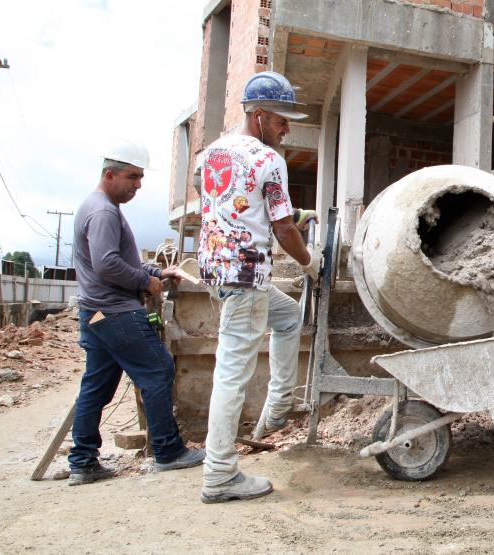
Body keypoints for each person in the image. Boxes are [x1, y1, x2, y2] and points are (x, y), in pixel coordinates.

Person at [198, 71, 322, 504]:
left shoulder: (212, 153)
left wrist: (291, 217)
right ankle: (219, 474)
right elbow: (283, 228)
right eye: (282, 120)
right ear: (259, 116)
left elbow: (235, 207)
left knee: (288, 317)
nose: (288, 128)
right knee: (232, 374)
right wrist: (309, 262)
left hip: (218, 272)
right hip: (247, 276)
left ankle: (278, 406)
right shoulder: (269, 160)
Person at [69, 139, 204, 486]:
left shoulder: (98, 207)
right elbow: (107, 264)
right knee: (158, 370)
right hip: (114, 313)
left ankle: (82, 462)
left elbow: (118, 260)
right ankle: (168, 451)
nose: (138, 185)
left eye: (141, 178)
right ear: (110, 174)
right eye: (132, 177)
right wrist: (146, 282)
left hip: (96, 315)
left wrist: (157, 272)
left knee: (96, 387)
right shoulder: (103, 212)